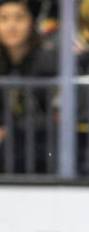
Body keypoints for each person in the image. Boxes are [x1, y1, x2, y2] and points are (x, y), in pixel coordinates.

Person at [0, 0, 56, 174]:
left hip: (39, 143)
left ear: (31, 23)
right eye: (3, 19)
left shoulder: (48, 62)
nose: (12, 26)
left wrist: (9, 130)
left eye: (19, 18)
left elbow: (51, 114)